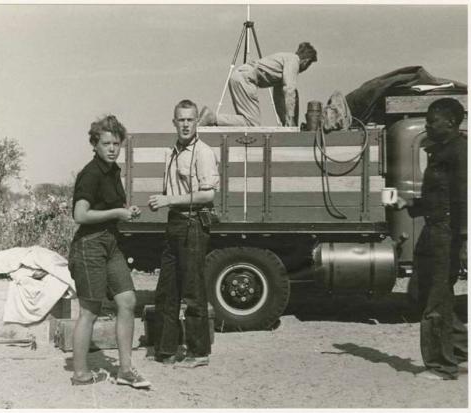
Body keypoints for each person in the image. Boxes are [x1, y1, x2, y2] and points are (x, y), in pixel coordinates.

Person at [68, 115, 150, 388]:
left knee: (127, 301)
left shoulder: (114, 171)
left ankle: (125, 370)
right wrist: (117, 212)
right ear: (95, 144)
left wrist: (128, 211)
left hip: (111, 242)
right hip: (89, 244)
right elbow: (80, 214)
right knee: (90, 311)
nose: (112, 148)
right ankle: (80, 374)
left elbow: (112, 206)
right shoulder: (91, 174)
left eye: (116, 143)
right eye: (106, 143)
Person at [391, 98, 467, 380]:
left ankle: (441, 366)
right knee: (429, 292)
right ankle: (460, 352)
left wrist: (463, 240)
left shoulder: (460, 152)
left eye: (432, 120)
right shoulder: (442, 151)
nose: (427, 125)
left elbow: (462, 199)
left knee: (436, 296)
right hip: (433, 229)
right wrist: (408, 205)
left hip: (446, 232)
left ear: (450, 122)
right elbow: (437, 196)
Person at [148, 99, 219, 368]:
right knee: (167, 289)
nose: (186, 124)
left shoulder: (203, 152)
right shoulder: (171, 152)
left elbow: (208, 194)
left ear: (196, 122)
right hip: (174, 223)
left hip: (193, 224)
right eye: (181, 119)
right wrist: (163, 202)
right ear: (174, 122)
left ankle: (199, 352)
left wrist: (169, 200)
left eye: (190, 119)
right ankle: (166, 350)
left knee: (192, 290)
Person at [199, 41, 317, 127]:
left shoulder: (285, 60)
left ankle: (211, 119)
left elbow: (278, 96)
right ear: (306, 62)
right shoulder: (293, 60)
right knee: (252, 124)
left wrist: (285, 122)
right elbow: (289, 90)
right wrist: (291, 118)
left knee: (246, 120)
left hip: (239, 76)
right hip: (246, 79)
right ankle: (212, 118)